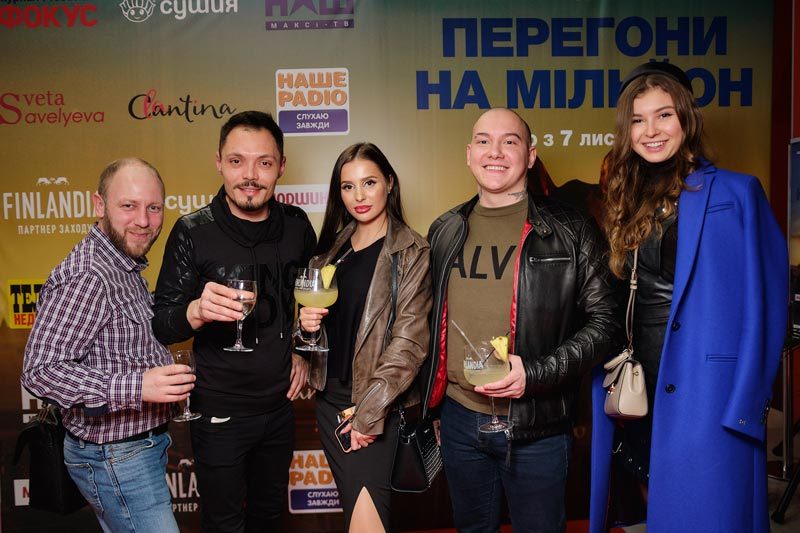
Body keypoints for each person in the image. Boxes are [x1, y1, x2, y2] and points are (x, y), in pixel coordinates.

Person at [589, 61, 788, 533]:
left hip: (708, 390)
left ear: (687, 118)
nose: (651, 131)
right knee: (655, 503)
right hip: (638, 383)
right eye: (638, 120)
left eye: (664, 115)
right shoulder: (624, 199)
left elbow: (767, 305)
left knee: (708, 512)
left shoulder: (737, 192)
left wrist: (748, 402)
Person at [418, 108, 619, 532]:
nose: (495, 152)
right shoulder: (444, 230)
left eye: (509, 142)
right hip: (458, 419)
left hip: (537, 425)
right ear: (469, 154)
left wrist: (535, 373)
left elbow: (606, 323)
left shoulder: (572, 228)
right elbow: (429, 324)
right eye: (484, 141)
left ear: (529, 155)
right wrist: (433, 406)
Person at [152, 111, 316, 532]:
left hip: (279, 407)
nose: (250, 176)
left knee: (269, 519)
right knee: (223, 524)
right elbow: (162, 323)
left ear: (281, 166)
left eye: (264, 162)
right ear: (219, 163)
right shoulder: (193, 231)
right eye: (237, 161)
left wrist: (302, 351)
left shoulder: (297, 226)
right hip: (218, 412)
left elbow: (311, 300)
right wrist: (196, 311)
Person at [22, 158, 192, 533]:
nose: (143, 221)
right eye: (128, 206)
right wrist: (138, 386)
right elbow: (40, 371)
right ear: (99, 205)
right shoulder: (89, 273)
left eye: (153, 207)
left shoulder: (123, 263)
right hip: (116, 456)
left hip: (135, 449)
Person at [296, 142, 431, 532]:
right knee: (358, 514)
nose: (359, 195)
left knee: (366, 521)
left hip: (375, 405)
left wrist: (368, 414)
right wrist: (305, 327)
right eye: (348, 186)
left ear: (389, 183)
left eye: (369, 182)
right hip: (331, 404)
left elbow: (409, 345)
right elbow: (313, 340)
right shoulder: (330, 253)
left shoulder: (411, 251)